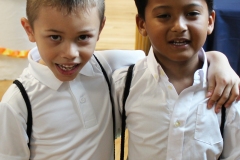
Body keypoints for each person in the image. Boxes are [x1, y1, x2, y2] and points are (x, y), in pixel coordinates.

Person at [0, 0, 239, 160]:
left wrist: (218, 60)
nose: (70, 54)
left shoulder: (108, 68)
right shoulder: (16, 103)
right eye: (54, 37)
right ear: (29, 30)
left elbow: (171, 59)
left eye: (83, 37)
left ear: (100, 29)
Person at [113, 0, 240, 159]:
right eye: (164, 15)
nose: (179, 26)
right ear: (142, 24)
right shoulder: (124, 84)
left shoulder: (228, 94)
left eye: (192, 14)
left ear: (209, 21)